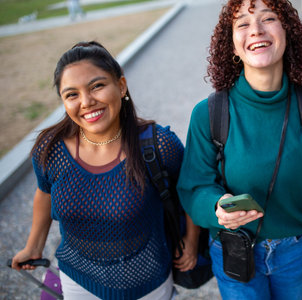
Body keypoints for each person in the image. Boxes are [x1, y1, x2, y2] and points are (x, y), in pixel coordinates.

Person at [11, 41, 200, 300]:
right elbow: (44, 193)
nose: (87, 102)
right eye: (72, 94)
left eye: (97, 86)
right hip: (79, 281)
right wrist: (33, 246)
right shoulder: (51, 149)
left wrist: (190, 241)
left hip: (149, 282)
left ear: (121, 86)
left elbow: (191, 191)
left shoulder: (158, 144)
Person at [176, 0, 302, 299]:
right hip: (233, 249)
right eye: (242, 24)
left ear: (287, 32)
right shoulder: (209, 113)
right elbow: (193, 186)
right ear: (233, 46)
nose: (256, 30)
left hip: (295, 251)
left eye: (268, 18)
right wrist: (216, 208)